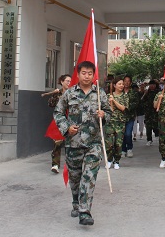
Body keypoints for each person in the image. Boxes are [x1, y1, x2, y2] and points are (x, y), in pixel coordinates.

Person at [54, 61, 110, 226]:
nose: (87, 76)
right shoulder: (69, 93)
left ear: (93, 75)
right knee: (75, 177)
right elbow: (58, 112)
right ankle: (76, 202)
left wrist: (104, 115)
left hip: (94, 143)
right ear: (78, 74)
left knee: (89, 176)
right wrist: (66, 128)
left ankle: (85, 212)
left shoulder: (99, 93)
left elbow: (109, 112)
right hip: (74, 143)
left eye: (90, 73)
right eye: (84, 73)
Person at [42, 74, 71, 173]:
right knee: (57, 142)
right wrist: (54, 95)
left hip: (71, 120)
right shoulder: (57, 93)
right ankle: (55, 164)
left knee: (70, 144)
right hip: (60, 120)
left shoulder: (73, 93)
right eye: (67, 81)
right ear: (62, 82)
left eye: (70, 81)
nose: (69, 83)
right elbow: (50, 104)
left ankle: (70, 165)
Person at [105, 77, 129, 169]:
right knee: (109, 144)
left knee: (118, 144)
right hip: (110, 123)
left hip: (120, 123)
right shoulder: (108, 96)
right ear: (114, 85)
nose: (122, 85)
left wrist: (114, 101)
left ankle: (117, 161)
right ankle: (109, 160)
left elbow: (123, 108)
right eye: (119, 84)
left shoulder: (125, 96)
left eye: (122, 84)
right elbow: (105, 108)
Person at [121, 75, 138, 158]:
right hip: (120, 117)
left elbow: (136, 103)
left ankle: (129, 148)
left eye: (128, 81)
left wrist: (127, 108)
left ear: (130, 83)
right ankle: (123, 149)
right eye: (125, 81)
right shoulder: (120, 92)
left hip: (130, 116)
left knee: (128, 133)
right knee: (122, 134)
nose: (126, 83)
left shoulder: (134, 93)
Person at [142, 79, 160, 146]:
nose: (152, 86)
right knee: (148, 127)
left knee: (156, 125)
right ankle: (149, 139)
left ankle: (157, 135)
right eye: (151, 85)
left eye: (153, 85)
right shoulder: (147, 92)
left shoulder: (158, 92)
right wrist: (145, 94)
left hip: (155, 112)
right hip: (148, 112)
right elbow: (142, 100)